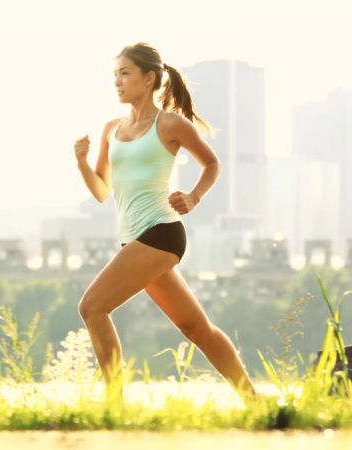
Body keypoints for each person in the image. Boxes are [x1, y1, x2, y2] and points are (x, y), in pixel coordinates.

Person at [73, 42, 257, 405]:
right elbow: (101, 191)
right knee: (195, 328)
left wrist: (193, 197)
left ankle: (114, 406)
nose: (118, 82)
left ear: (149, 78)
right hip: (134, 240)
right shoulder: (112, 129)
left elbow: (211, 164)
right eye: (115, 75)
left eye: (125, 73)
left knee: (92, 307)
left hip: (161, 232)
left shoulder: (169, 123)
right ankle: (254, 400)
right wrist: (81, 163)